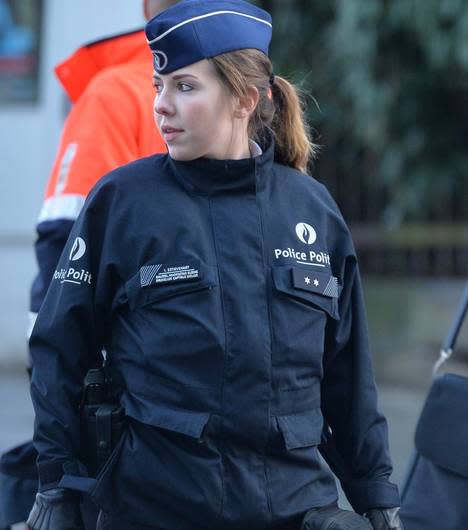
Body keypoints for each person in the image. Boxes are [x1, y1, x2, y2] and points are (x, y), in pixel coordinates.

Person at [26, 1, 402, 529]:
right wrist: (57, 483)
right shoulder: (122, 203)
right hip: (156, 507)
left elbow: (349, 377)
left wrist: (376, 496)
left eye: (184, 86)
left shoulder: (311, 211)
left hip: (293, 508)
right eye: (158, 85)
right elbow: (58, 351)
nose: (161, 105)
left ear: (246, 98)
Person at [1, 3, 175, 529]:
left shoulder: (245, 94)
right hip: (130, 383)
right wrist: (67, 386)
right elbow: (63, 244)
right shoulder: (118, 94)